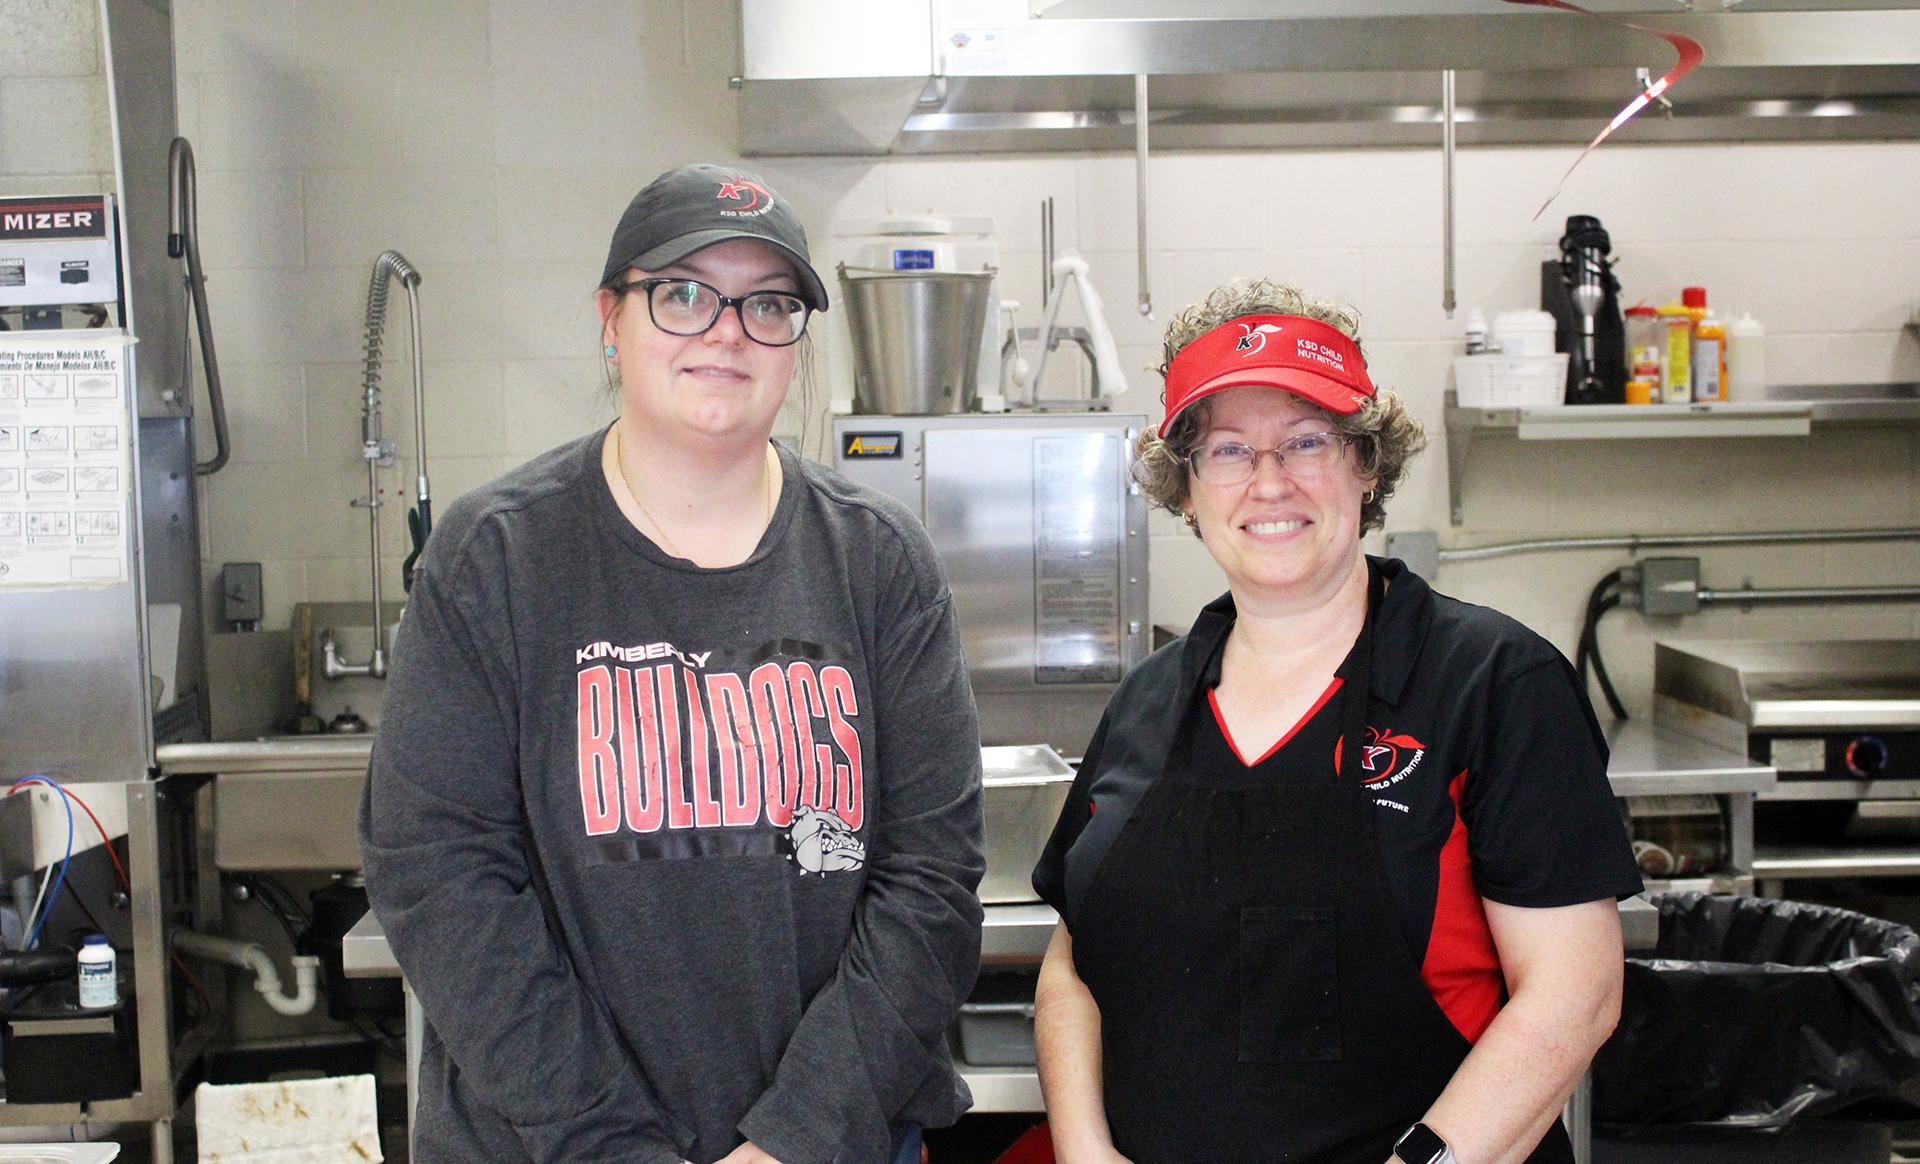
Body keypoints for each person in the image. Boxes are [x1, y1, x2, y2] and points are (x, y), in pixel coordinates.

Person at [360, 163, 986, 1164]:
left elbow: (930, 885)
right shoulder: (498, 560)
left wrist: (795, 1139)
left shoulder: (879, 562)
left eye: (767, 303)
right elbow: (441, 878)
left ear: (793, 343)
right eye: (683, 294)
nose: (727, 331)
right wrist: (610, 1145)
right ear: (612, 319)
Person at [1030, 280, 1642, 1164]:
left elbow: (1574, 994)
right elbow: (1071, 966)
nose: (1269, 481)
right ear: (1188, 491)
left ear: (1366, 464)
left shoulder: (1492, 683)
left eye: (1307, 441)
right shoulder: (1148, 701)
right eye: (1230, 451)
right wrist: (1086, 1151)